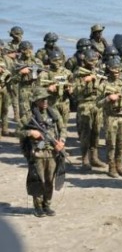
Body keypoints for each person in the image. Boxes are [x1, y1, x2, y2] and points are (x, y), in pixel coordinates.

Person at [19, 88, 66, 217]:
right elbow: (19, 131)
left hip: (52, 152)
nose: (45, 101)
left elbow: (63, 128)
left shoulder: (54, 113)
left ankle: (47, 205)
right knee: (38, 180)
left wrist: (61, 141)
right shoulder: (29, 116)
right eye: (42, 99)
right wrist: (31, 133)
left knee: (50, 180)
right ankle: (38, 206)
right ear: (36, 101)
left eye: (46, 99)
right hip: (37, 153)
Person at [98, 58, 122, 178]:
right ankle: (111, 167)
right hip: (110, 117)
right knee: (111, 144)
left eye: (118, 71)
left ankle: (119, 165)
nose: (116, 73)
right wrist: (109, 98)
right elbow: (97, 103)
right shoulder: (103, 84)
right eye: (114, 71)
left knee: (121, 143)